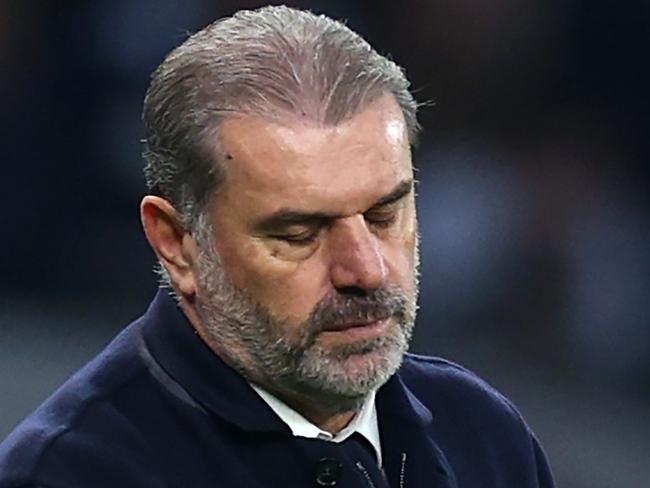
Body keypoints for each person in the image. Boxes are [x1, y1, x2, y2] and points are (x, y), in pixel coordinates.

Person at [0, 6, 554, 487]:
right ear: (176, 243)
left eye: (385, 214)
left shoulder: (486, 435)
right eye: (299, 234)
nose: (366, 270)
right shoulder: (70, 474)